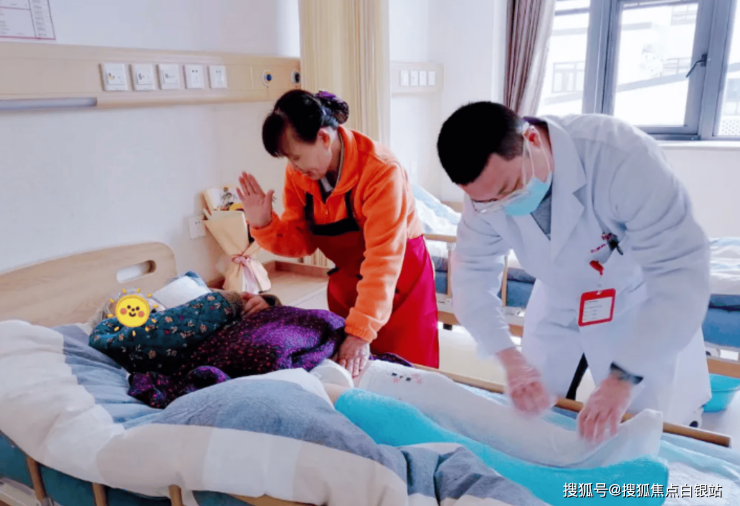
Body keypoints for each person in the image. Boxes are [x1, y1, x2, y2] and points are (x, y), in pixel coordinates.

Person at [435, 102, 712, 442]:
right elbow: (471, 275)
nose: (503, 206)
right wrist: (509, 358)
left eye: (511, 189)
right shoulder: (486, 193)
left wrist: (622, 380)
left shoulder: (621, 156)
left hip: (634, 300)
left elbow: (681, 273)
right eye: (489, 203)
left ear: (532, 139)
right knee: (536, 419)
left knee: (640, 428)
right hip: (557, 297)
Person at [237, 89, 440, 376]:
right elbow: (302, 242)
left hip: (399, 281)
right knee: (347, 373)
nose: (293, 167)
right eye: (288, 160)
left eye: (296, 156)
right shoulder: (300, 173)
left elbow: (383, 260)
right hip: (348, 281)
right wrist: (263, 224)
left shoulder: (381, 170)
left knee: (406, 374)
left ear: (323, 138)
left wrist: (360, 331)